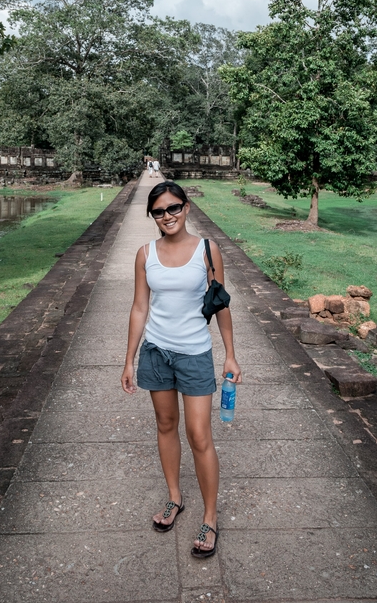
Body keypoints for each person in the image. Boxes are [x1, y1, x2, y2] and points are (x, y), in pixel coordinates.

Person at [121, 180, 241, 558]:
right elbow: (140, 307)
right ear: (152, 216)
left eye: (173, 208)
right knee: (165, 425)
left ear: (187, 207)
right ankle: (175, 497)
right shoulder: (145, 254)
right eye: (159, 211)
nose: (167, 216)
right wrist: (128, 359)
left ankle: (210, 516)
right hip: (156, 352)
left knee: (199, 434)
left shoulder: (208, 250)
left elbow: (220, 303)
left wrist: (231, 355)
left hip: (194, 353)